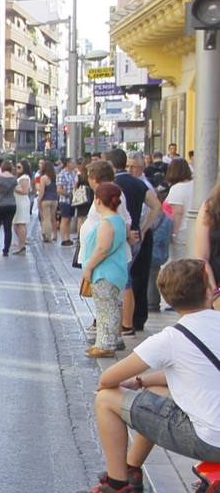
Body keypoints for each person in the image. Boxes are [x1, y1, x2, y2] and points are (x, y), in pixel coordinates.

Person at [75, 259, 220, 493]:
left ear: (167, 298)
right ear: (209, 291)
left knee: (106, 399)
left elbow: (107, 380)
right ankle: (131, 470)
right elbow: (194, 374)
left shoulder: (172, 338)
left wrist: (127, 383)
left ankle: (116, 488)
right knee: (155, 395)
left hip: (209, 441)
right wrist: (142, 382)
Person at [112, 148, 163, 335]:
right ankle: (130, 320)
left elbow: (157, 207)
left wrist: (143, 228)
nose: (131, 169)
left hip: (134, 234)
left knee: (131, 278)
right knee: (131, 276)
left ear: (142, 167)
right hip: (132, 233)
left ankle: (132, 320)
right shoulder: (135, 183)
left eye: (135, 166)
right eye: (128, 166)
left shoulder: (143, 185)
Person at [81, 183, 130, 358]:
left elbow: (102, 248)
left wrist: (88, 267)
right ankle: (104, 341)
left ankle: (106, 344)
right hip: (114, 271)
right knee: (108, 307)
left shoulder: (107, 223)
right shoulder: (118, 220)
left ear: (98, 200)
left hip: (104, 272)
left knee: (106, 308)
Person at [164, 159, 194, 263]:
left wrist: (173, 234)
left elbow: (178, 212)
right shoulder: (195, 185)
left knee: (179, 263)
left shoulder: (176, 188)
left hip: (181, 231)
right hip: (195, 229)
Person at [56, 158, 79, 246]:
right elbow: (59, 189)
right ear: (68, 163)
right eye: (73, 163)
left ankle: (68, 237)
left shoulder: (74, 173)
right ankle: (63, 238)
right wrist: (68, 194)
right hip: (65, 200)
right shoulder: (62, 174)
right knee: (65, 219)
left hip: (73, 200)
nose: (74, 164)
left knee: (69, 219)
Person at [11, 162, 32, 254]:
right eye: (17, 166)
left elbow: (24, 191)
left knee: (20, 224)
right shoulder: (20, 177)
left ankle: (22, 245)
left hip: (21, 202)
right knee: (16, 224)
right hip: (18, 202)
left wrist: (13, 186)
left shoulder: (24, 178)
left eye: (19, 167)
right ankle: (21, 243)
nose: (17, 168)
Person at [36, 160, 58, 244]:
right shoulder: (54, 177)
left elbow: (42, 191)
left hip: (45, 199)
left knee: (46, 218)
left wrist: (39, 200)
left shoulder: (43, 178)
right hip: (54, 199)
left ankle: (47, 236)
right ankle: (53, 235)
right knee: (52, 217)